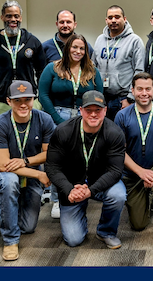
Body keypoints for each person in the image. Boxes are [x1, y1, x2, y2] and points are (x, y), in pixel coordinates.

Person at [0, 81, 54, 261]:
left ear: (34, 100)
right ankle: (10, 240)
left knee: (27, 227)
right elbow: (3, 165)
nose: (23, 105)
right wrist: (39, 174)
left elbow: (49, 153)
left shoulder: (44, 120)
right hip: (6, 172)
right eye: (17, 100)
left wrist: (26, 161)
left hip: (30, 169)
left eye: (27, 100)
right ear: (8, 101)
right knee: (10, 181)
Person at [45, 91, 126, 249]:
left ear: (105, 110)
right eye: (89, 110)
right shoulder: (63, 131)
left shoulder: (115, 133)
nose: (93, 114)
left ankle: (106, 232)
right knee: (73, 240)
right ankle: (79, 214)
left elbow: (115, 170)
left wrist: (90, 190)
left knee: (118, 194)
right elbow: (52, 167)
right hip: (72, 187)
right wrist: (69, 189)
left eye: (98, 110)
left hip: (101, 183)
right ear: (81, 110)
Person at [39, 33, 103, 218]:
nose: (78, 51)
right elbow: (43, 95)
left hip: (84, 117)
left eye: (82, 48)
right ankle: (57, 199)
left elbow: (99, 96)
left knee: (81, 158)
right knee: (58, 159)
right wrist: (57, 120)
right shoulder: (52, 68)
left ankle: (81, 193)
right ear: (68, 48)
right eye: (75, 47)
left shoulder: (92, 71)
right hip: (57, 115)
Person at [115, 73, 153, 243]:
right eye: (139, 89)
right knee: (138, 224)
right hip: (132, 172)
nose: (144, 93)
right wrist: (141, 172)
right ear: (132, 91)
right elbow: (120, 151)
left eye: (148, 89)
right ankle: (148, 201)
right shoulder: (122, 116)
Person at [0, 0, 47, 122]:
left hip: (27, 101)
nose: (13, 19)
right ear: (2, 17)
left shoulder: (32, 41)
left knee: (28, 133)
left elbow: (42, 72)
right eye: (8, 16)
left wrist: (40, 100)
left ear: (21, 18)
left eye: (16, 16)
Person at [92, 5, 145, 121]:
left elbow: (139, 71)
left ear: (124, 19)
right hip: (101, 98)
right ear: (106, 20)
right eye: (110, 17)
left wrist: (130, 98)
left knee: (120, 131)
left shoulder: (135, 41)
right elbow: (93, 67)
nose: (113, 20)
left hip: (123, 99)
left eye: (117, 17)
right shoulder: (100, 40)